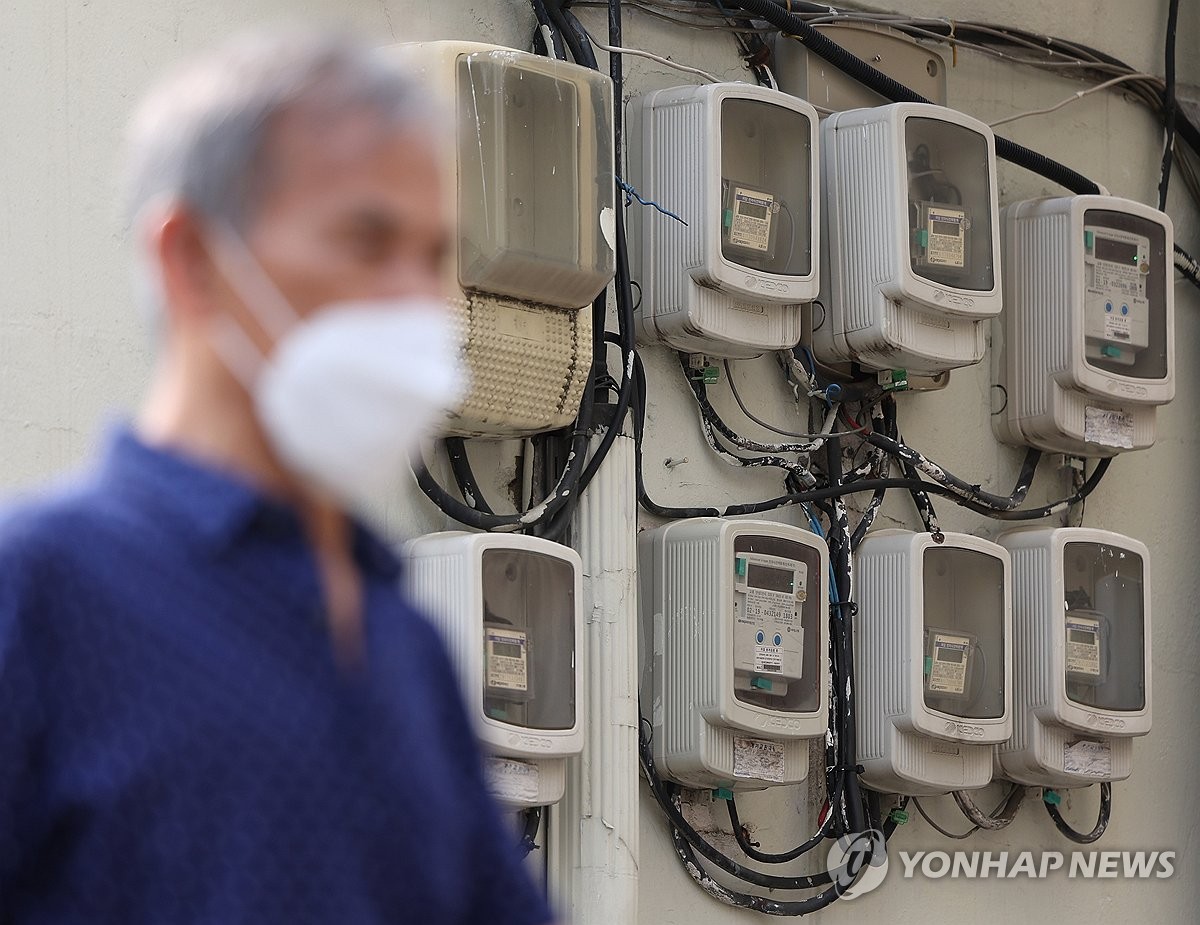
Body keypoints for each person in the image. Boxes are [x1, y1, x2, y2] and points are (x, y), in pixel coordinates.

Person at [0, 30, 555, 925]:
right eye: (365, 241)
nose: (417, 302)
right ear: (192, 261)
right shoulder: (39, 590)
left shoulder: (402, 642)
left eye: (432, 256)